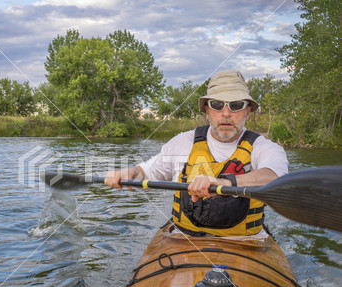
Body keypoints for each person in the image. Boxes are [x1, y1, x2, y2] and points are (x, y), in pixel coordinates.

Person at [105, 70, 288, 237]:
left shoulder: (265, 148)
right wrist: (129, 173)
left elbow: (275, 178)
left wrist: (223, 182)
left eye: (236, 105)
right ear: (207, 111)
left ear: (248, 112)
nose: (225, 114)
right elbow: (146, 172)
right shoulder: (181, 142)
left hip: (246, 242)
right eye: (217, 105)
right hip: (183, 238)